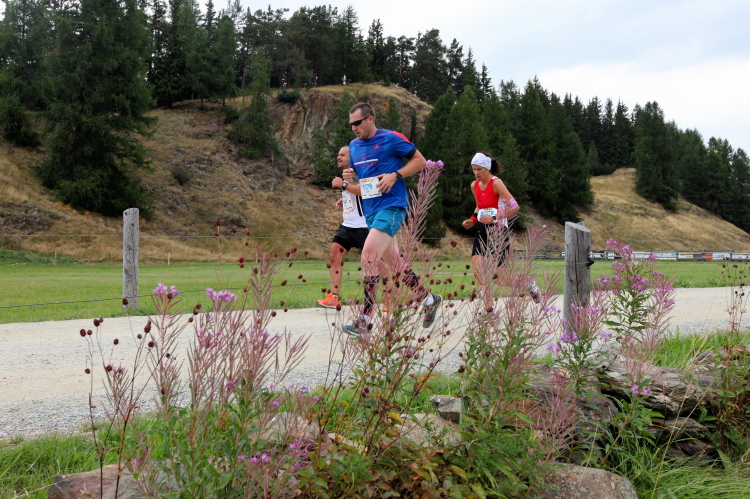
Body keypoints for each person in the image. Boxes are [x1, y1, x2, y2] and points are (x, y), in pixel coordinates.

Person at [342, 102, 442, 335]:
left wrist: (395, 175)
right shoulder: (354, 146)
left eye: (357, 123)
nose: (354, 128)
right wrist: (349, 175)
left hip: (392, 206)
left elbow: (420, 161)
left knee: (368, 255)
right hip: (371, 210)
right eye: (351, 124)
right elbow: (360, 176)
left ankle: (365, 319)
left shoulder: (391, 138)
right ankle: (428, 300)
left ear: (370, 119)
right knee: (396, 264)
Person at [461, 152, 540, 312]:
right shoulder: (474, 185)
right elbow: (479, 207)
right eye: (474, 169)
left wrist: (495, 218)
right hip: (482, 230)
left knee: (501, 279)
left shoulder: (496, 183)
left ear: (487, 168)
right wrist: (473, 220)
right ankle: (490, 309)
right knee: (478, 270)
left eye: (479, 169)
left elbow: (514, 206)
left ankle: (528, 284)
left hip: (498, 230)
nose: (476, 173)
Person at [317, 146, 369, 309]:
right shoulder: (346, 175)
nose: (338, 157)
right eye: (338, 154)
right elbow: (354, 193)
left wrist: (344, 185)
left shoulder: (361, 173)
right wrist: (345, 200)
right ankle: (334, 297)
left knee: (375, 264)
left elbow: (367, 192)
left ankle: (390, 297)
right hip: (347, 225)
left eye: (342, 155)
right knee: (334, 256)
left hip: (364, 227)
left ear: (352, 158)